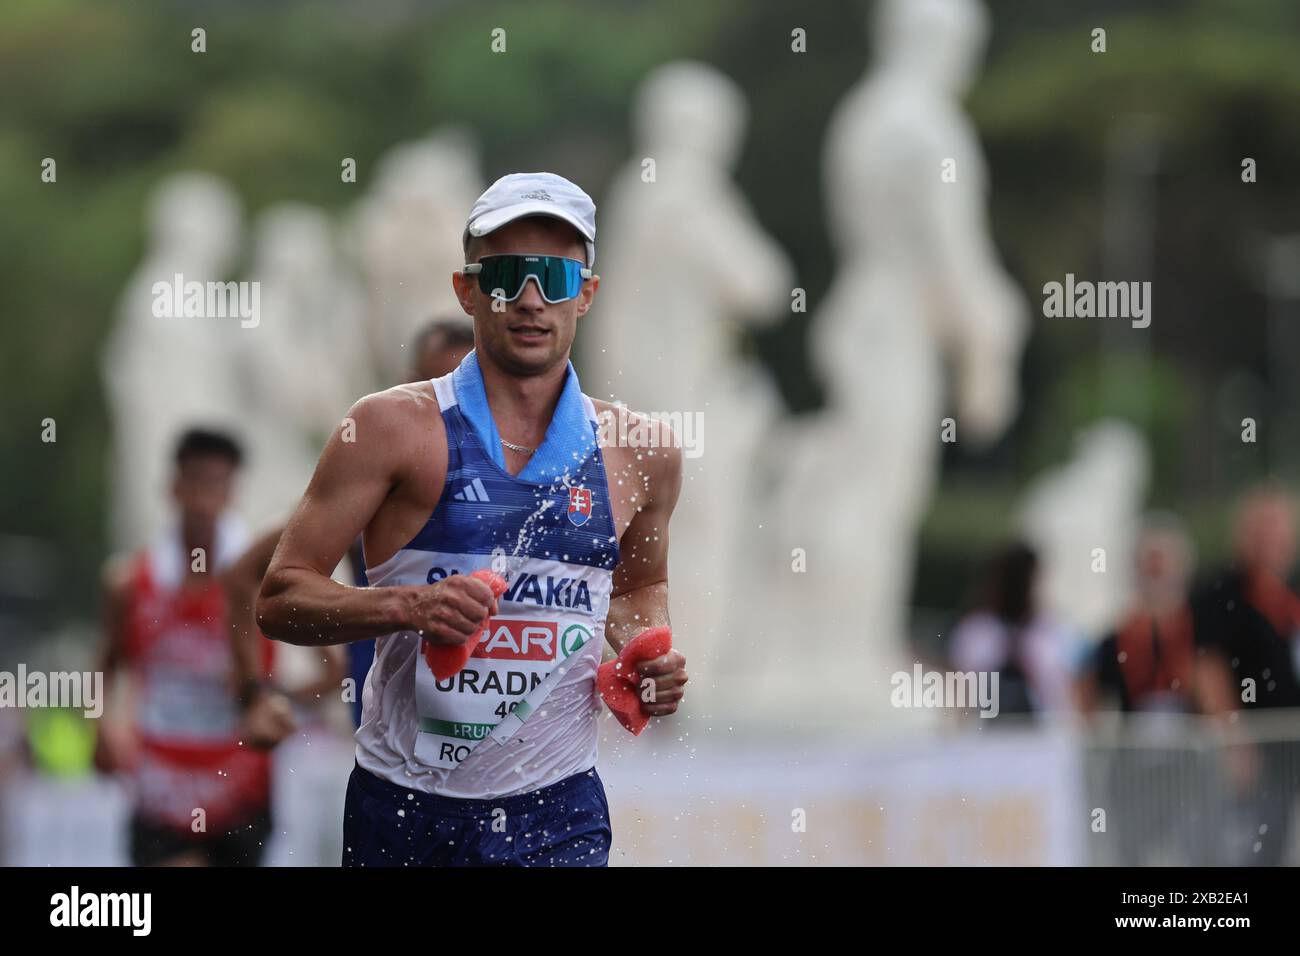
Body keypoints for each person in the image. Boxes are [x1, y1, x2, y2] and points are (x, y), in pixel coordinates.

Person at [256, 172, 688, 867]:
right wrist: (407, 605)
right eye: (506, 276)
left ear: (587, 293)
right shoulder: (387, 428)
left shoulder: (644, 451)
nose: (529, 299)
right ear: (466, 290)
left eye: (553, 276)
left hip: (557, 805)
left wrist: (646, 654)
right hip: (404, 805)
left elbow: (639, 589)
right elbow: (278, 599)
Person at [96, 429, 272, 866]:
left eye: (217, 484)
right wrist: (101, 724)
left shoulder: (264, 584)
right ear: (173, 487)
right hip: (160, 793)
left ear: (233, 491)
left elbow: (327, 670)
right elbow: (105, 663)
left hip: (240, 791)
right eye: (195, 481)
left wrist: (278, 704)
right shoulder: (129, 583)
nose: (203, 499)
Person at [1192, 487, 1300, 864]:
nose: (1273, 540)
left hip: (1292, 747)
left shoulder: (1289, 593)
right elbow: (1207, 668)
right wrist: (1233, 739)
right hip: (1256, 748)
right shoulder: (1222, 594)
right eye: (1263, 530)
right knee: (1253, 847)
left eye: (1279, 530)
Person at [949, 542, 1075, 719]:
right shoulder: (976, 631)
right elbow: (961, 699)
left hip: (1041, 739)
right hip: (985, 737)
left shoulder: (1052, 630)